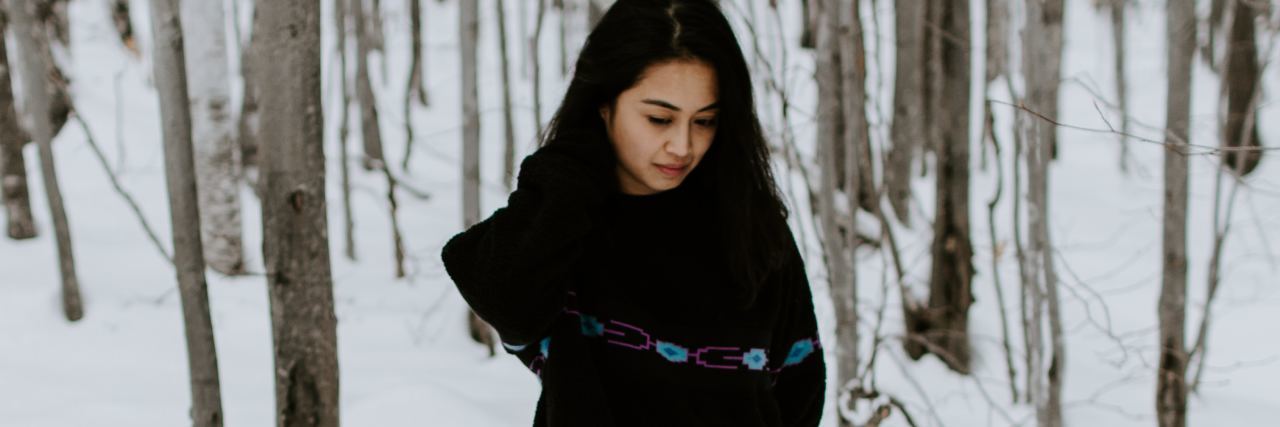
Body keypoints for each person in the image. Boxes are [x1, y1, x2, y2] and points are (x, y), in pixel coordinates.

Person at [440, 0, 825, 425]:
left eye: (705, 121)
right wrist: (569, 170)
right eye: (660, 119)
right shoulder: (563, 222)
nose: (683, 145)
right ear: (603, 103)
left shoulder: (749, 227)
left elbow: (799, 387)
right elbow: (504, 301)